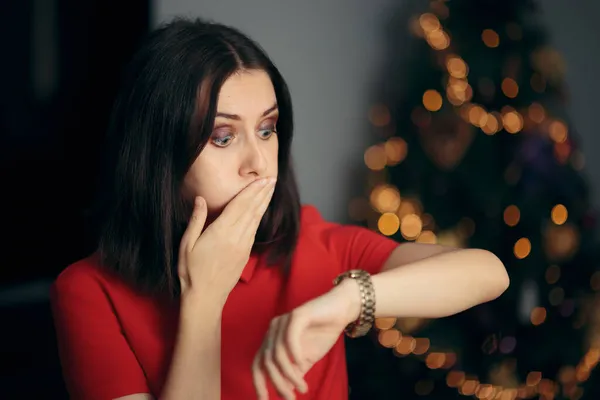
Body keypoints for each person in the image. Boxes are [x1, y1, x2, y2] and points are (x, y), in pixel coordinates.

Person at [50, 17, 510, 400]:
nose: (258, 162)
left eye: (267, 129)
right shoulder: (89, 293)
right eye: (223, 136)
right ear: (160, 152)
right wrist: (204, 300)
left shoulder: (315, 244)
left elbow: (489, 273)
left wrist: (350, 299)